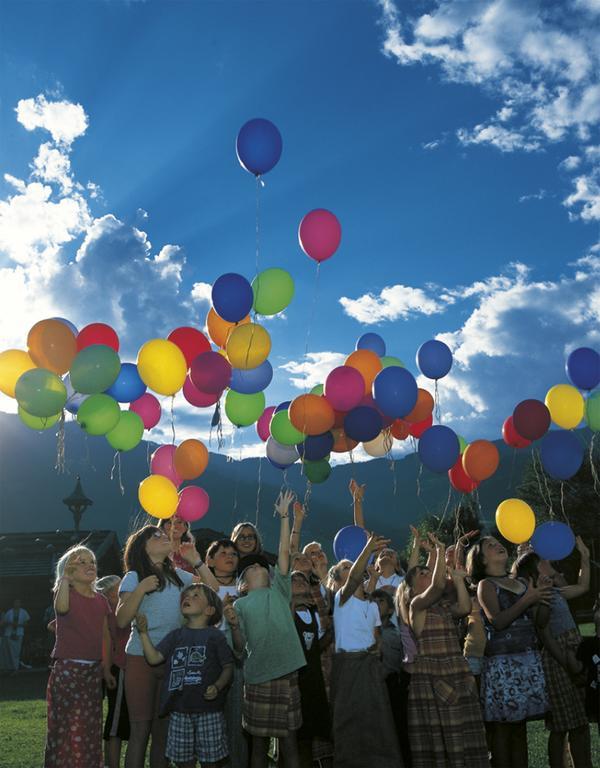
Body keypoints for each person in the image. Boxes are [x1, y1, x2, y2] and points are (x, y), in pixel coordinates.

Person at [116, 525, 218, 768]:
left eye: (164, 535)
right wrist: (141, 589)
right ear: (142, 546)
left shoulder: (178, 576)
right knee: (140, 731)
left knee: (163, 733)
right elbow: (121, 619)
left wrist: (196, 561)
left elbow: (213, 590)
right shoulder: (133, 576)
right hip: (140, 658)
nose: (165, 536)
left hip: (174, 662)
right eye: (156, 536)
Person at [232, 489, 307, 768]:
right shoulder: (239, 606)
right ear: (243, 585)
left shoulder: (280, 589)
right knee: (259, 745)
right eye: (251, 569)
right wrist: (232, 624)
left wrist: (285, 516)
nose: (259, 568)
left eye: (262, 566)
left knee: (289, 741)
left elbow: (285, 551)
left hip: (288, 672)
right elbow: (239, 647)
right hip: (258, 677)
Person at [404, 533, 488, 768]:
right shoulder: (416, 605)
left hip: (455, 669)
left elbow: (464, 607)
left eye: (428, 571)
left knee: (464, 732)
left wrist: (459, 580)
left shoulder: (441, 606)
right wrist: (440, 551)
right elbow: (438, 584)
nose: (428, 575)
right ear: (411, 587)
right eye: (422, 574)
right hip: (432, 674)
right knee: (440, 737)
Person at [469, 536, 552, 768]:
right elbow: (498, 621)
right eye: (489, 546)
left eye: (497, 542)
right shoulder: (487, 585)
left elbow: (540, 622)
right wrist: (528, 599)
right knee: (503, 730)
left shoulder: (523, 584)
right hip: (503, 667)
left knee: (519, 729)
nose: (497, 545)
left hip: (527, 662)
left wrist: (543, 597)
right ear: (482, 560)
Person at [136, 583, 234, 768]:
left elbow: (228, 667)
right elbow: (154, 658)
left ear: (209, 610)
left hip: (209, 710)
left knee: (210, 762)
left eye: (196, 595)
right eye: (186, 595)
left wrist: (218, 686)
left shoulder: (215, 636)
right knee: (183, 762)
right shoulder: (176, 635)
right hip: (179, 709)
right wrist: (143, 634)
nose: (188, 598)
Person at [515, 539, 593, 768]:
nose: (548, 562)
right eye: (543, 561)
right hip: (557, 659)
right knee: (561, 725)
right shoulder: (536, 597)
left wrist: (585, 558)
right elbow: (542, 628)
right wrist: (568, 664)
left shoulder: (556, 591)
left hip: (573, 652)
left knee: (580, 722)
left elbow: (583, 586)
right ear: (534, 570)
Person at [331, 531, 402, 768]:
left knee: (378, 723)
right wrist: (368, 550)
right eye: (348, 570)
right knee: (350, 724)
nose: (355, 572)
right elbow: (354, 580)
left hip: (370, 666)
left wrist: (376, 649)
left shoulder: (371, 603)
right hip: (349, 667)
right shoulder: (342, 598)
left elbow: (376, 633)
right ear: (341, 581)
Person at [44, 545, 115, 768]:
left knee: (89, 726)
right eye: (81, 562)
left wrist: (106, 668)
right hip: (68, 670)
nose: (89, 565)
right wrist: (64, 579)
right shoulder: (66, 594)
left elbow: (105, 637)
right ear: (69, 571)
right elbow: (62, 608)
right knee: (66, 726)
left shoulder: (101, 601)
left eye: (91, 561)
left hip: (93, 672)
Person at [291, 570, 332, 768]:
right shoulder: (284, 610)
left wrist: (333, 630)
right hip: (293, 682)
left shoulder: (314, 612)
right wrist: (291, 606)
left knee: (317, 733)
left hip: (314, 682)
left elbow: (316, 646)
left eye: (303, 579)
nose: (299, 581)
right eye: (294, 579)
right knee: (297, 741)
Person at [97, 575, 131, 768]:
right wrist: (108, 670)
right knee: (116, 720)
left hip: (123, 667)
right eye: (121, 589)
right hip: (119, 667)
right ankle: (112, 763)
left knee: (119, 718)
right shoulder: (112, 615)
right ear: (111, 595)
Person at [1, 598, 30, 672]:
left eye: (18, 603)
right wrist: (11, 624)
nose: (17, 604)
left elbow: (26, 624)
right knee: (8, 652)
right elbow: (4, 622)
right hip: (9, 634)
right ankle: (8, 668)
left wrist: (18, 625)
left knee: (16, 652)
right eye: (15, 603)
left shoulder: (24, 612)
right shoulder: (9, 612)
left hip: (19, 634)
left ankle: (15, 668)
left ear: (20, 604)